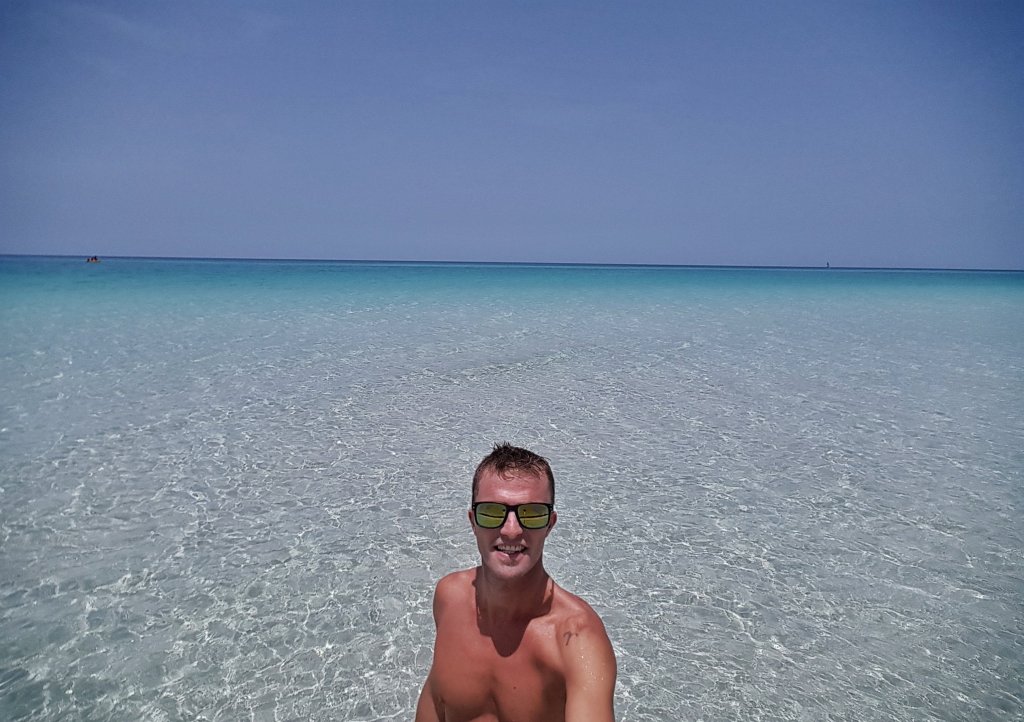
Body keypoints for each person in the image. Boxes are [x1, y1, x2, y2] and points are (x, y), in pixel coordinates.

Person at [416, 443, 616, 722]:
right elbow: (436, 699)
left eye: (532, 514)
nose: (511, 530)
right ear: (473, 521)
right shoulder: (449, 598)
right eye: (491, 512)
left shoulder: (576, 639)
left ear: (550, 524)